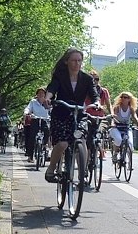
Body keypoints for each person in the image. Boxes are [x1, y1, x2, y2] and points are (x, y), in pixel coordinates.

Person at [43, 48, 100, 183]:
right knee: (62, 143)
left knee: (82, 141)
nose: (77, 63)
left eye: (79, 61)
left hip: (79, 114)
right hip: (61, 113)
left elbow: (94, 94)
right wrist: (48, 98)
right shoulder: (60, 76)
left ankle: (82, 172)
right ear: (67, 61)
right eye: (74, 60)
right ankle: (50, 170)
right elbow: (52, 88)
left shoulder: (87, 79)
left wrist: (97, 102)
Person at [109, 90, 138, 165]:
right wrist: (113, 124)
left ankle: (130, 164)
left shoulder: (131, 109)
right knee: (118, 139)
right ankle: (115, 154)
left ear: (129, 99)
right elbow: (113, 117)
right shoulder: (117, 107)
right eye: (122, 97)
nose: (123, 99)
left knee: (130, 144)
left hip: (126, 127)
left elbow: (135, 117)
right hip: (117, 127)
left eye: (126, 97)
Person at [86, 70, 112, 160]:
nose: (95, 81)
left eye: (97, 79)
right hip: (87, 117)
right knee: (86, 136)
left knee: (99, 133)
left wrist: (112, 116)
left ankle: (99, 149)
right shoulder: (84, 90)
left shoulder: (103, 91)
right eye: (92, 79)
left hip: (100, 118)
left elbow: (109, 105)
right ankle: (86, 157)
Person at [23, 87, 51, 162]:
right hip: (35, 120)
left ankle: (45, 146)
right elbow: (28, 108)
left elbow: (51, 109)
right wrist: (26, 113)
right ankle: (30, 156)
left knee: (47, 131)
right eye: (39, 93)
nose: (41, 94)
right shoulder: (33, 102)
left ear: (45, 95)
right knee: (32, 137)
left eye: (42, 93)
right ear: (37, 95)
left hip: (44, 120)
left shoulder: (47, 102)